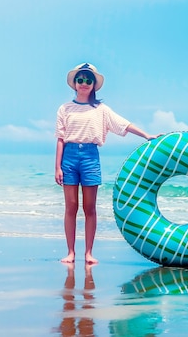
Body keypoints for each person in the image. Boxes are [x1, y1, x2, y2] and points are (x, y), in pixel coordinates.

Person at [55, 63, 159, 265]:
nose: (83, 83)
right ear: (74, 84)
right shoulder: (65, 108)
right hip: (69, 156)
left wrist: (146, 135)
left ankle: (88, 253)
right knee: (71, 207)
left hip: (90, 157)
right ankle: (70, 252)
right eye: (80, 80)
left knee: (90, 208)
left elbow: (123, 124)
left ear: (94, 84)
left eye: (88, 80)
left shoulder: (101, 110)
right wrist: (57, 167)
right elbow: (60, 138)